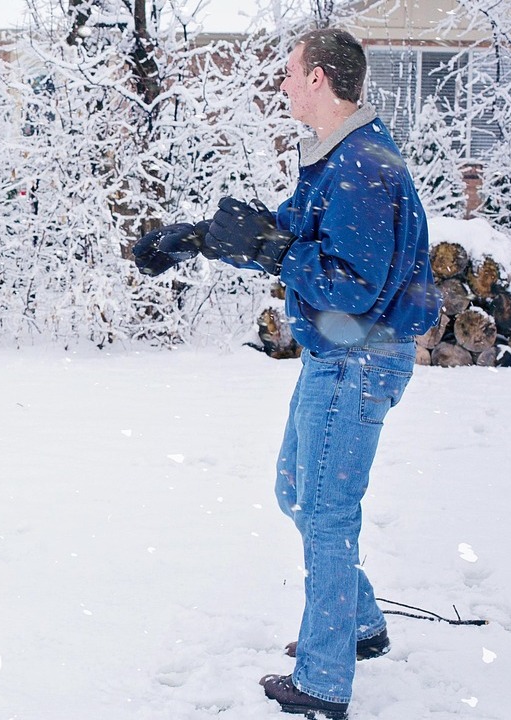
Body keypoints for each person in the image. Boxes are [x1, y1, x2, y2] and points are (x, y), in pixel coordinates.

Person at [131, 28, 441, 719]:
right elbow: (287, 235)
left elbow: (350, 285)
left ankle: (324, 680)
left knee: (325, 513)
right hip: (343, 355)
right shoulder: (340, 160)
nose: (281, 84)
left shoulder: (364, 167)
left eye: (289, 72)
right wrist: (194, 239)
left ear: (321, 79)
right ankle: (359, 625)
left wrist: (275, 253)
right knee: (296, 490)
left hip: (358, 356)